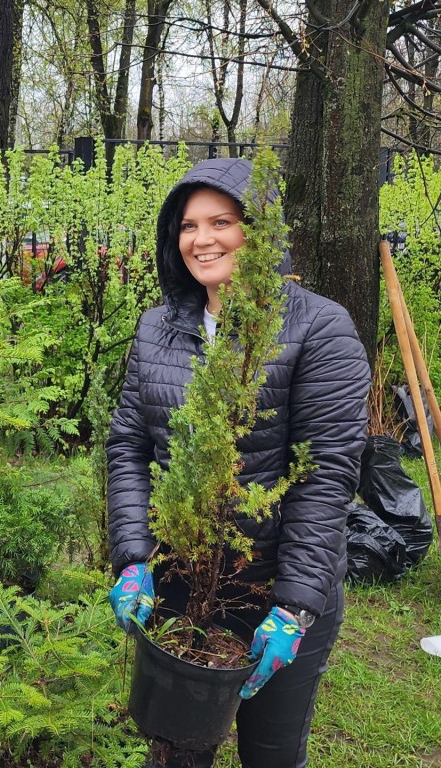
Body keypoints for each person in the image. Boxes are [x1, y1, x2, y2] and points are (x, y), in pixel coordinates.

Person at [106, 157, 370, 768]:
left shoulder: (319, 329)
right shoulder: (157, 331)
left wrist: (295, 605)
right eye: (188, 225)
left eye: (221, 222)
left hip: (278, 589)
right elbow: (129, 449)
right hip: (181, 585)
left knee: (270, 754)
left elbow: (324, 475)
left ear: (259, 232)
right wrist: (134, 558)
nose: (202, 240)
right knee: (175, 749)